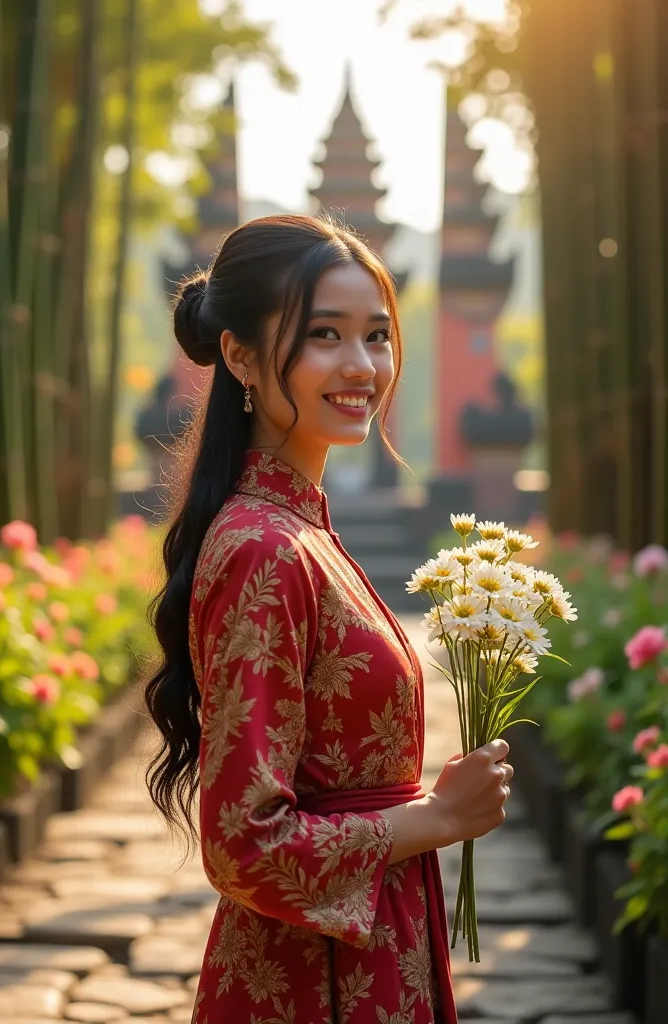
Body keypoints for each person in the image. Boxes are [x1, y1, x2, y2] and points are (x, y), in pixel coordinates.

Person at [144, 215, 514, 1024]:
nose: (362, 366)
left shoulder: (302, 532)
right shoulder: (263, 549)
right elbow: (244, 844)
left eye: (377, 335)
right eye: (324, 336)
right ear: (239, 355)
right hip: (315, 982)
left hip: (368, 952)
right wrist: (436, 817)